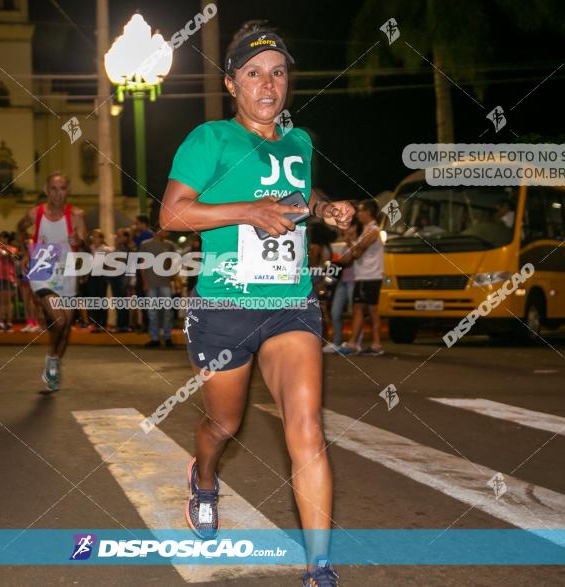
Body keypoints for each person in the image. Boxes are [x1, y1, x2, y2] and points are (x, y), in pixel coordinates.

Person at [159, 20, 354, 586]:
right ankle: (204, 476)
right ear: (231, 83)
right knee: (223, 424)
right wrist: (248, 210)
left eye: (277, 73)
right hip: (223, 307)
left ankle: (319, 565)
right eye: (253, 75)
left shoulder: (301, 142)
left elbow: (299, 194)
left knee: (307, 428)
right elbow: (172, 214)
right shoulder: (209, 140)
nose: (267, 86)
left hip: (290, 303)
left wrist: (324, 211)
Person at [17, 172, 87, 392]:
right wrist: (25, 253)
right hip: (42, 267)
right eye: (54, 189)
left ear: (68, 190)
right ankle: (52, 358)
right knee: (58, 320)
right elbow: (20, 228)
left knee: (65, 327)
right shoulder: (35, 213)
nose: (58, 194)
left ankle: (54, 359)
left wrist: (80, 241)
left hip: (66, 271)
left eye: (63, 188)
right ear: (46, 190)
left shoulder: (75, 215)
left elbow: (84, 246)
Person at [337, 201, 384, 356]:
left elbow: (357, 252)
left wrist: (348, 240)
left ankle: (360, 344)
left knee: (366, 310)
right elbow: (356, 252)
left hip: (369, 276)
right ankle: (363, 343)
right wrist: (350, 241)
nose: (358, 214)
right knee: (363, 309)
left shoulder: (373, 230)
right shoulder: (367, 230)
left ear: (369, 212)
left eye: (360, 211)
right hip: (365, 276)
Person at [324, 221, 360, 353]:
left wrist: (332, 261)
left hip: (354, 280)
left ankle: (355, 343)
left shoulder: (359, 242)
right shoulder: (345, 243)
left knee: (356, 312)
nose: (346, 230)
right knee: (335, 312)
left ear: (355, 227)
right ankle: (337, 343)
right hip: (342, 281)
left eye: (349, 227)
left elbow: (348, 259)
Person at [140, 228, 176, 348]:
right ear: (159, 230)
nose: (169, 233)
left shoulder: (169, 245)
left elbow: (171, 262)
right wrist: (145, 282)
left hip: (165, 283)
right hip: (151, 283)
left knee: (167, 311)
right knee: (152, 312)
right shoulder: (146, 244)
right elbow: (143, 264)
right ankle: (154, 338)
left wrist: (171, 278)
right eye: (167, 231)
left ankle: (167, 337)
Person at [85, 228, 111, 331]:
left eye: (96, 237)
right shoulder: (90, 248)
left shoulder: (106, 249)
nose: (94, 239)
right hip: (92, 276)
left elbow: (110, 264)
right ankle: (94, 322)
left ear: (101, 238)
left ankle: (102, 323)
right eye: (93, 236)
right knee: (92, 299)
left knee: (101, 298)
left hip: (102, 276)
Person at [109, 228, 133, 332]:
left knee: (121, 302)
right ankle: (123, 325)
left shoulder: (123, 248)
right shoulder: (120, 248)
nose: (116, 238)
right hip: (118, 278)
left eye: (119, 236)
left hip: (120, 278)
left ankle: (122, 325)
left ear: (124, 238)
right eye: (116, 235)